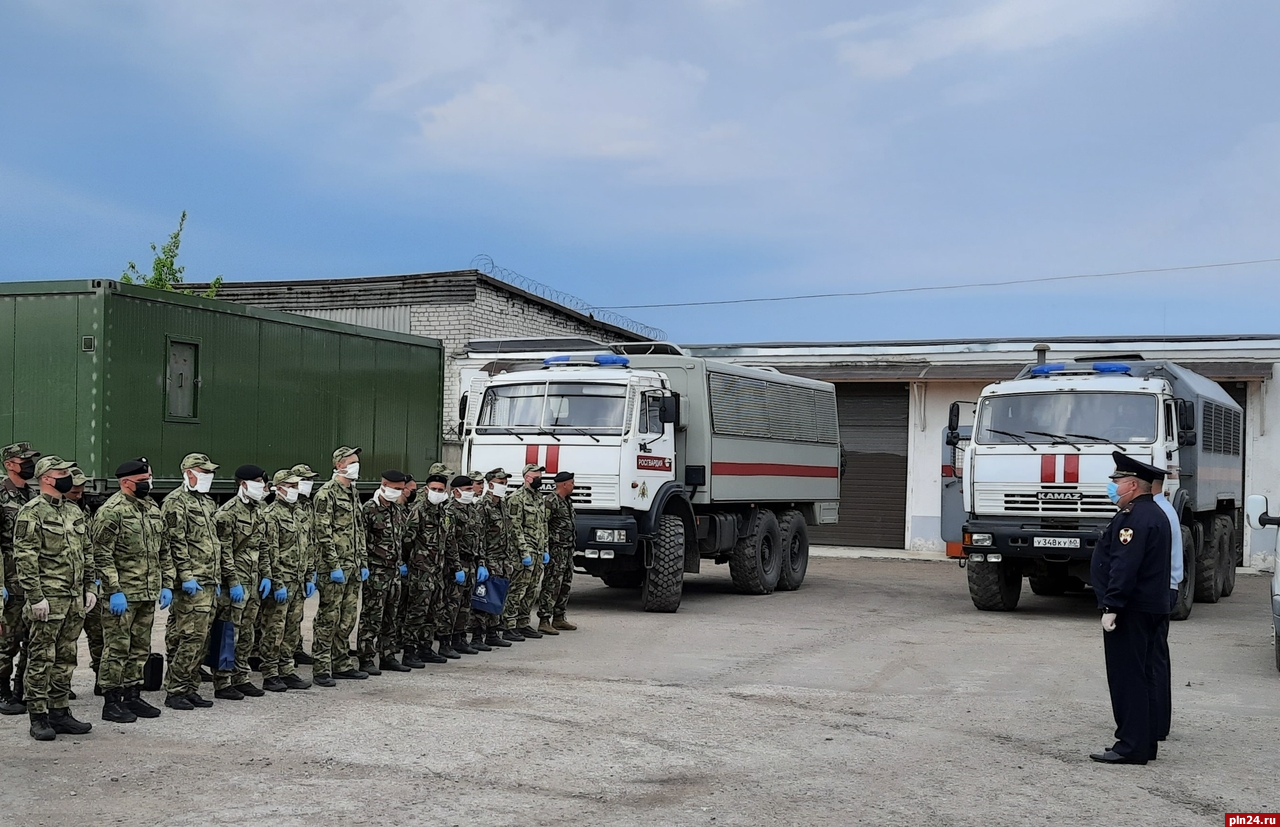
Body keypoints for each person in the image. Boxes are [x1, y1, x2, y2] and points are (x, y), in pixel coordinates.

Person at [1089, 451, 1172, 765]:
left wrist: (1112, 604)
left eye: (1118, 481)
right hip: (1150, 606)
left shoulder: (1133, 518)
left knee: (1128, 677)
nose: (1114, 487)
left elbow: (1124, 565)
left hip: (1132, 609)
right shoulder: (1154, 514)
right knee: (1146, 675)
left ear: (1134, 485)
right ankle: (1144, 742)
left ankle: (1130, 745)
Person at [13, 455, 98, 740]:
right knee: (41, 657)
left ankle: (60, 712)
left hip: (74, 598)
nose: (68, 476)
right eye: (61, 472)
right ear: (46, 478)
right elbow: (25, 557)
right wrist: (35, 596)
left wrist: (90, 587)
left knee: (66, 657)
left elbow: (87, 553)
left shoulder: (74, 512)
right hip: (49, 599)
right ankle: (38, 716)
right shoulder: (32, 512)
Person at [91, 458, 172, 722]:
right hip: (123, 594)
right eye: (142, 480)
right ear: (126, 483)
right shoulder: (111, 511)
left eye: (149, 478)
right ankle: (111, 701)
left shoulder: (151, 508)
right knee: (117, 648)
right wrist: (113, 589)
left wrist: (167, 583)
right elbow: (101, 554)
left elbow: (164, 549)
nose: (148, 483)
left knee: (140, 647)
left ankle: (132, 695)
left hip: (147, 591)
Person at [161, 453, 231, 711]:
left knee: (201, 638)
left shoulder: (207, 502)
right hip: (192, 583)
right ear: (188, 472)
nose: (208, 477)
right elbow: (174, 544)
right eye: (203, 471)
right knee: (189, 637)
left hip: (209, 581)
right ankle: (176, 689)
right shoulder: (175, 503)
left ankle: (190, 687)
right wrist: (185, 577)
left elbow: (214, 543)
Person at [211, 464, 270, 700]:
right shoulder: (227, 513)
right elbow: (223, 552)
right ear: (243, 484)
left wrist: (266, 575)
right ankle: (222, 681)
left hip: (254, 582)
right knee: (228, 632)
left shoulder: (258, 510)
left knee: (247, 632)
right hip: (234, 584)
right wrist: (233, 581)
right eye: (258, 482)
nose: (263, 487)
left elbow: (262, 546)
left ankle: (241, 676)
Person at [311, 447, 369, 687]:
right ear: (340, 465)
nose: (357, 464)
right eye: (352, 461)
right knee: (328, 618)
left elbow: (358, 529)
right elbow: (322, 533)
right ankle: (322, 667)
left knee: (347, 618)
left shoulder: (352, 491)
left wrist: (363, 561)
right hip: (334, 568)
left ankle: (342, 663)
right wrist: (333, 565)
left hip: (353, 566)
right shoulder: (326, 494)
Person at [258, 470, 312, 692]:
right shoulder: (271, 514)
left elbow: (308, 547)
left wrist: (310, 576)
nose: (294, 490)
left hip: (298, 581)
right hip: (282, 581)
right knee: (274, 628)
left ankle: (287, 669)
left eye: (296, 486)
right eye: (290, 486)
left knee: (292, 628)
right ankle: (270, 673)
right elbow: (270, 552)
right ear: (278, 488)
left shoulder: (300, 514)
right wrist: (276, 582)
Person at [0, 441, 40, 716]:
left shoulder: (33, 495)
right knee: (7, 639)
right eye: (24, 460)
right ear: (9, 464)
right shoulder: (1, 495)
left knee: (30, 637)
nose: (30, 464)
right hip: (10, 578)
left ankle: (20, 689)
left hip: (33, 578)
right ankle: (2, 690)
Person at [358, 470, 410, 674]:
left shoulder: (396, 510)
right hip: (376, 572)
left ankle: (388, 655)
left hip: (394, 572)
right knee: (372, 617)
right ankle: (366, 658)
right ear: (384, 485)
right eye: (395, 488)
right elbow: (362, 540)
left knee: (391, 616)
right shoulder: (369, 509)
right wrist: (364, 566)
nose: (397, 492)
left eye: (400, 489)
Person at [402, 473, 450, 664]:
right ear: (426, 490)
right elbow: (407, 539)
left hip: (437, 570)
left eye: (440, 490)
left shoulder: (442, 512)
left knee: (433, 611)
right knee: (416, 612)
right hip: (420, 571)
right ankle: (409, 651)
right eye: (434, 490)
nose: (437, 493)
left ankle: (425, 647)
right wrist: (408, 562)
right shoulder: (418, 511)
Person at [1150, 476, 1183, 743]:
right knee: (1156, 657)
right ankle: (1158, 721)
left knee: (1153, 659)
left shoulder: (1159, 512)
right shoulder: (1165, 509)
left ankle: (1157, 722)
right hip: (1166, 587)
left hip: (1161, 590)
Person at [504, 464, 548, 640]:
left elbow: (543, 525)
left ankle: (523, 622)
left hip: (537, 551)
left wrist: (545, 549)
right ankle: (509, 625)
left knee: (532, 590)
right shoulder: (516, 498)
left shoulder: (539, 498)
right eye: (536, 475)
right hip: (524, 552)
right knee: (517, 590)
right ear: (527, 477)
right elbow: (515, 528)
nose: (539, 478)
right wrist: (524, 552)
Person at [440, 475, 483, 656]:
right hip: (456, 565)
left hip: (471, 562)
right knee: (451, 604)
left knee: (465, 604)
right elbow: (449, 542)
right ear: (456, 491)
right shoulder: (450, 511)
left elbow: (479, 537)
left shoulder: (472, 510)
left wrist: (481, 562)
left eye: (471, 490)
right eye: (467, 490)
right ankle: (444, 641)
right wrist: (456, 566)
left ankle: (459, 638)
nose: (470, 493)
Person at [475, 469, 514, 649]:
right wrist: (482, 563)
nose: (504, 486)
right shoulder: (483, 506)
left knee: (497, 597)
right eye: (501, 482)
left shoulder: (502, 505)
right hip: (489, 559)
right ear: (490, 484)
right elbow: (479, 537)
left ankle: (492, 633)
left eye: (505, 482)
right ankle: (477, 637)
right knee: (483, 598)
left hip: (503, 559)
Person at [288, 463, 320, 668]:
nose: (308, 484)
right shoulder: (289, 505)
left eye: (310, 480)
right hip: (288, 568)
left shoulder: (308, 505)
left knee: (297, 614)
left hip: (305, 564)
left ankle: (296, 649)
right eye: (304, 480)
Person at [539, 471, 578, 634]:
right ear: (564, 484)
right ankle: (544, 620)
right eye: (572, 483)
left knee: (565, 583)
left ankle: (559, 617)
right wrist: (545, 549)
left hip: (567, 550)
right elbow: (543, 525)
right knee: (552, 584)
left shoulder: (568, 501)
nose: (574, 485)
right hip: (555, 550)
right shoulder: (550, 501)